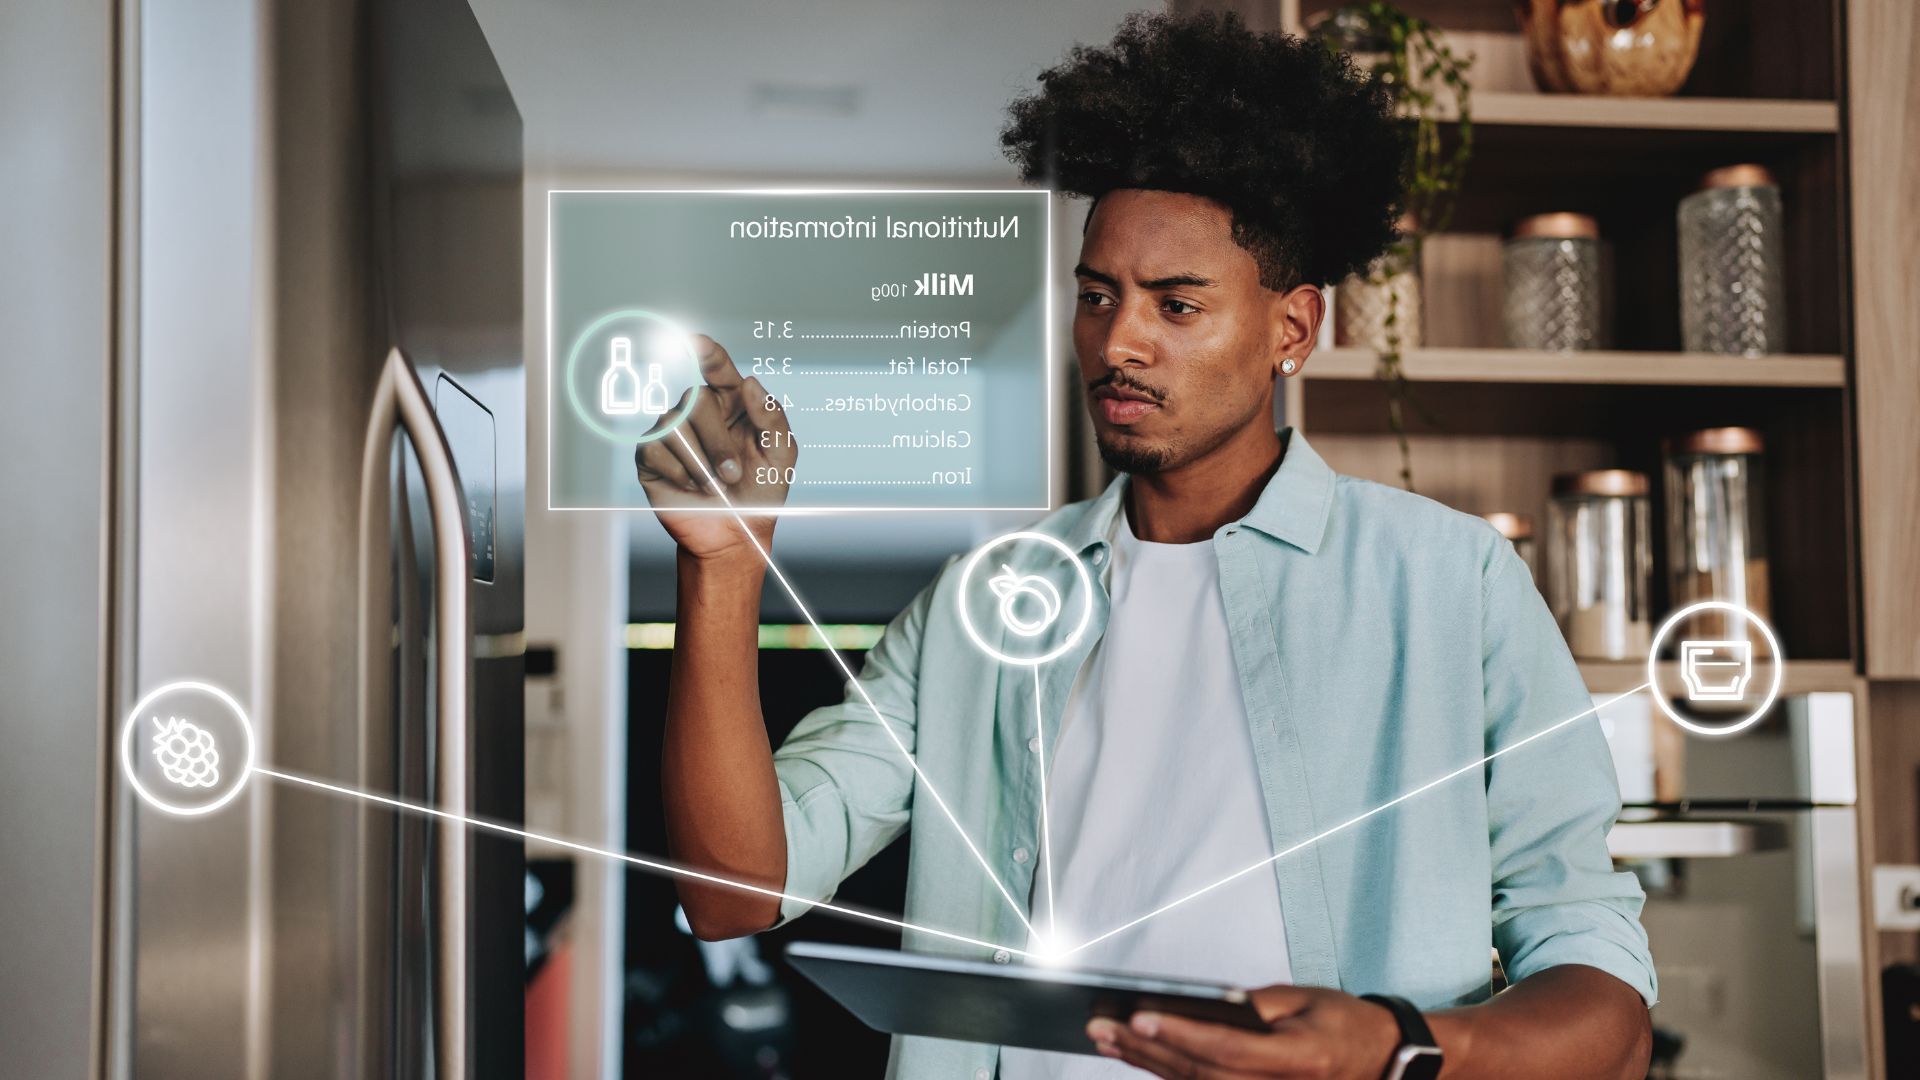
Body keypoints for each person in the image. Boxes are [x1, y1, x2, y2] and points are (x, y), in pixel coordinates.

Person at [636, 12, 1655, 1080]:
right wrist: (724, 562)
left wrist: (1392, 1047)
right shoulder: (978, 606)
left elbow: (1608, 1011)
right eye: (1096, 297)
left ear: (1293, 331)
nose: (1118, 341)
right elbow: (731, 892)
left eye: (1177, 305)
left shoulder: (1451, 585)